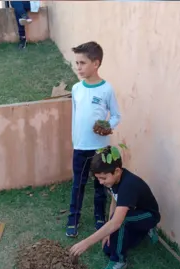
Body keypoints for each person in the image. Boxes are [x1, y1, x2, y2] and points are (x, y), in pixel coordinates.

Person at [69, 147, 160, 269]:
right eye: (98, 178)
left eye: (103, 178)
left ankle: (119, 261)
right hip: (131, 212)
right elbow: (114, 199)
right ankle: (141, 232)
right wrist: (108, 229)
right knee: (108, 248)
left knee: (120, 223)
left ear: (117, 171)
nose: (100, 182)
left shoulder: (128, 185)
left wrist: (86, 243)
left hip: (148, 216)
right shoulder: (113, 180)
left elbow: (117, 222)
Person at [66, 41, 121, 238]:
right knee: (78, 185)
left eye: (82, 63)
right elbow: (75, 115)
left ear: (96, 63)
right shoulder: (76, 89)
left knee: (100, 185)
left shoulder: (106, 89)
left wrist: (108, 125)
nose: (78, 67)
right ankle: (73, 219)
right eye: (77, 63)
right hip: (80, 147)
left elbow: (116, 115)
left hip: (100, 149)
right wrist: (75, 140)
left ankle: (99, 217)